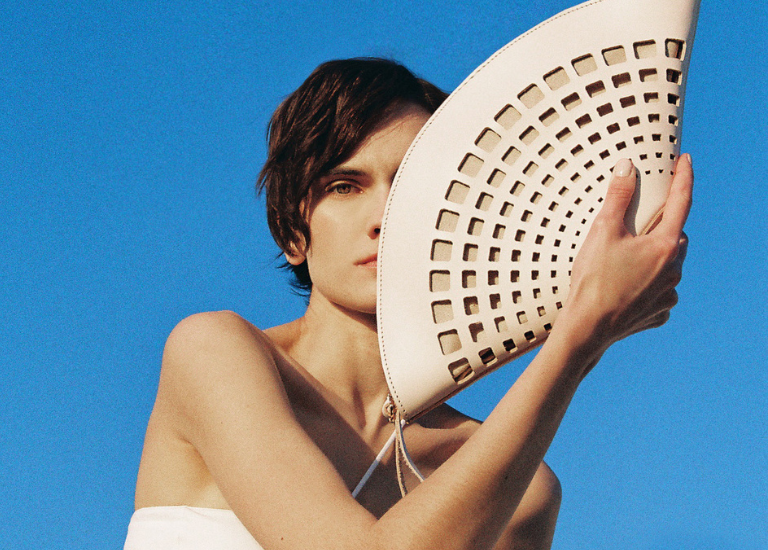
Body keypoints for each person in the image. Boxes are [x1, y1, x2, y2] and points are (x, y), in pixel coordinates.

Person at [123, 58, 692, 550]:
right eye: (344, 187)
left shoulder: (522, 494)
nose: (384, 217)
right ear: (294, 232)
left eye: (412, 186)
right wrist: (578, 336)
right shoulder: (213, 352)